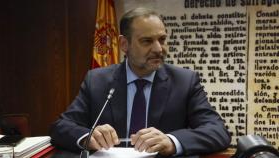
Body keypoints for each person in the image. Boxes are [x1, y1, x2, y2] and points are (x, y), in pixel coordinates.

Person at [50, 7, 231, 157]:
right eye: (147, 41)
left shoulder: (184, 81)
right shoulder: (97, 80)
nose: (159, 49)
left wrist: (171, 141)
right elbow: (61, 127)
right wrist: (88, 137)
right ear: (123, 44)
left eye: (162, 39)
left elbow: (217, 130)